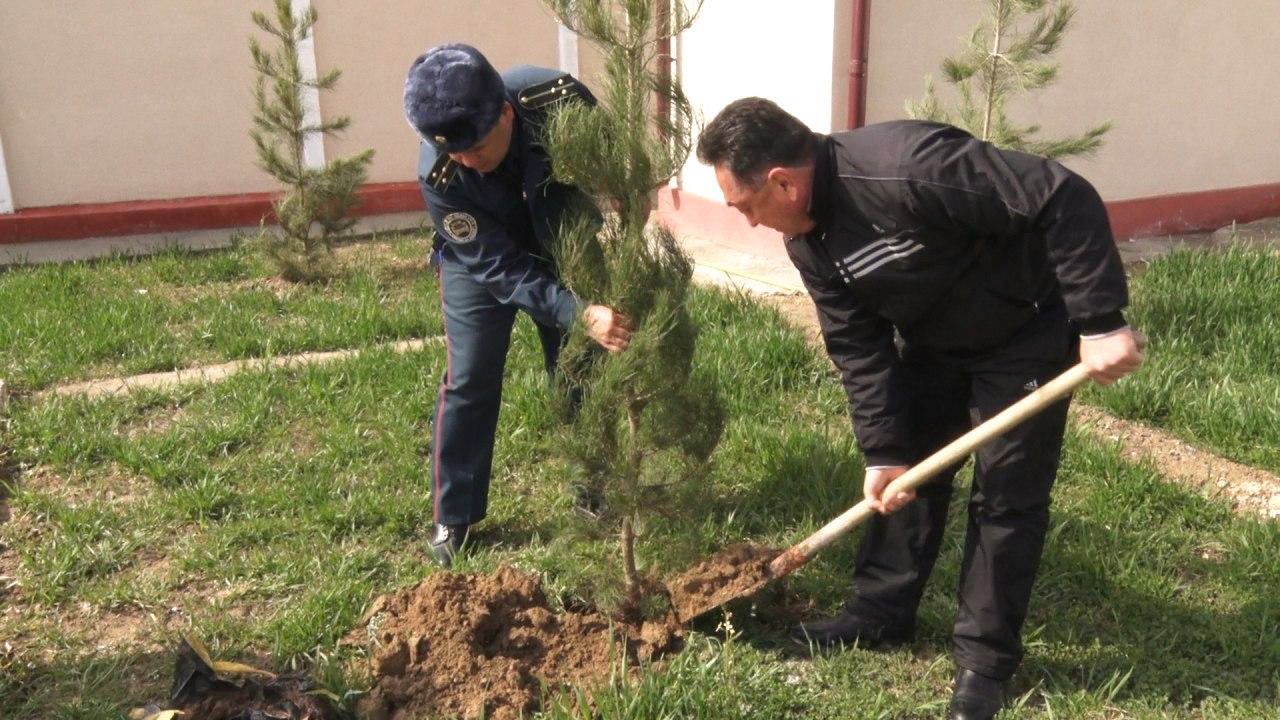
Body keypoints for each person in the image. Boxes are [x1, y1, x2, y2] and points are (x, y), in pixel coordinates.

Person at [696, 98, 1142, 720]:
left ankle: (983, 662)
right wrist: (883, 451)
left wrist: (1099, 320)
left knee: (1006, 495)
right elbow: (859, 350)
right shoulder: (809, 242)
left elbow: (1061, 195)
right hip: (934, 342)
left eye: (745, 206)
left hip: (1025, 332)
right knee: (906, 474)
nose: (748, 223)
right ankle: (880, 611)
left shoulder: (907, 167)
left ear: (783, 183)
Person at [403, 44, 632, 568]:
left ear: (505, 113)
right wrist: (579, 312)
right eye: (455, 154)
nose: (466, 161)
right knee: (470, 376)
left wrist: (620, 193)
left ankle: (593, 488)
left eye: (476, 149)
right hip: (482, 261)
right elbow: (501, 269)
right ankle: (454, 515)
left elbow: (609, 159)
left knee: (578, 366)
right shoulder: (440, 175)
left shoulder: (557, 99)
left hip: (563, 240)